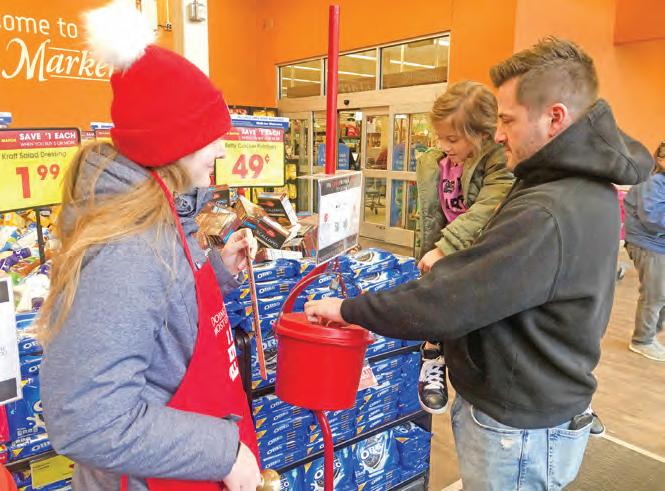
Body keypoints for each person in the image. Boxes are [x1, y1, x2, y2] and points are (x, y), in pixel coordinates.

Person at [304, 37, 653, 490]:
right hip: (535, 402)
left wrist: (348, 310)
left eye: (507, 120)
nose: (499, 134)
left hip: (516, 425)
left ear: (554, 118)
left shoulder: (548, 210)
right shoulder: (577, 188)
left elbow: (451, 299)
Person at [37, 2, 261, 490]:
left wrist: (215, 271)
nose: (223, 150)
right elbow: (87, 418)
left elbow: (158, 316)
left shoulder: (159, 217)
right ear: (170, 144)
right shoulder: (130, 246)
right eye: (211, 136)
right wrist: (223, 452)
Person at [414, 81, 513, 414]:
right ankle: (433, 356)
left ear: (482, 133)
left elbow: (490, 204)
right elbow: (433, 214)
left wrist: (448, 246)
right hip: (445, 249)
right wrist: (432, 249)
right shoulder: (435, 161)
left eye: (453, 139)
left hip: (476, 250)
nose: (444, 145)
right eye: (440, 137)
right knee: (435, 308)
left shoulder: (497, 160)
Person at [624, 142, 665, 361]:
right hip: (648, 244)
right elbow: (652, 218)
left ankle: (650, 333)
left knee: (661, 294)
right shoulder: (654, 182)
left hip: (658, 244)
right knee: (655, 294)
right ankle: (642, 340)